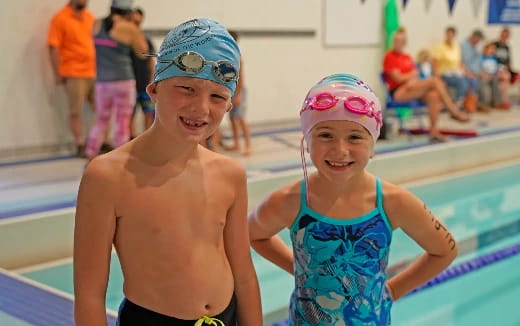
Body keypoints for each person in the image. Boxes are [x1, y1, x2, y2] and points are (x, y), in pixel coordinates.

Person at [73, 18, 262, 326]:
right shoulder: (107, 176)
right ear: (154, 90)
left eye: (217, 96)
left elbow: (244, 275)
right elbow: (90, 295)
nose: (201, 108)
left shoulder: (230, 174)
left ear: (228, 105)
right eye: (186, 88)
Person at [248, 73, 458, 325]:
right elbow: (253, 234)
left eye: (355, 137)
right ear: (307, 142)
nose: (340, 150)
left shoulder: (393, 202)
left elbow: (445, 250)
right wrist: (298, 268)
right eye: (325, 135)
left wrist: (392, 291)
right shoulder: (290, 200)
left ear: (372, 145)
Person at [85, 0, 148, 160]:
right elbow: (143, 53)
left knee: (101, 120)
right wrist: (135, 28)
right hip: (123, 81)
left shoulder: (96, 24)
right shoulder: (129, 28)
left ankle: (91, 153)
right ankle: (119, 159)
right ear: (128, 12)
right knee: (123, 120)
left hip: (102, 82)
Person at [383, 27, 469, 142]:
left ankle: (433, 131)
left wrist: (410, 78)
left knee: (433, 95)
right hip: (398, 92)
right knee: (434, 81)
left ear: (404, 43)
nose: (397, 43)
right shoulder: (389, 56)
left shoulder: (407, 57)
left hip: (412, 88)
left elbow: (415, 74)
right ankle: (453, 111)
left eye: (400, 41)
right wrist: (410, 77)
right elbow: (398, 78)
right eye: (395, 41)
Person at [48, 0, 96, 157]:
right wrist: (57, 73)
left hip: (94, 72)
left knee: (101, 109)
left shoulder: (90, 18)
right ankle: (80, 143)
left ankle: (98, 141)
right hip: (73, 73)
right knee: (75, 111)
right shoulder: (60, 18)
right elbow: (53, 47)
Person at [224, 31, 252, 156]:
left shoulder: (237, 57)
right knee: (232, 118)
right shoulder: (227, 55)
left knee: (240, 118)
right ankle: (236, 143)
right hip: (231, 90)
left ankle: (248, 145)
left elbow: (241, 78)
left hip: (238, 90)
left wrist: (238, 94)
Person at [129, 7, 156, 137]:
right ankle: (130, 139)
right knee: (129, 115)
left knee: (149, 113)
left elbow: (151, 61)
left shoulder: (146, 40)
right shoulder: (126, 40)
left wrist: (152, 79)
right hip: (130, 84)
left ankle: (148, 137)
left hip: (145, 83)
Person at [432, 26, 468, 109]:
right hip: (444, 73)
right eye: (448, 34)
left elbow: (460, 62)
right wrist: (436, 75)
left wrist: (465, 72)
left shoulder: (456, 47)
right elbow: (435, 62)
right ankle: (456, 104)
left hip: (456, 72)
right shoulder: (440, 46)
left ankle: (460, 101)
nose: (449, 36)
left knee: (469, 80)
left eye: (451, 35)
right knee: (461, 82)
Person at [460, 29, 485, 112]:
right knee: (472, 81)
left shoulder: (477, 48)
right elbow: (461, 62)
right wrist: (468, 73)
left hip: (476, 73)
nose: (478, 42)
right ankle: (469, 105)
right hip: (466, 72)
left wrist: (482, 72)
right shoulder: (463, 45)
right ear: (473, 37)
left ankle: (478, 104)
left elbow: (479, 62)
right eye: (478, 40)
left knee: (484, 79)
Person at [480, 42, 511, 110]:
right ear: (486, 49)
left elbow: (496, 68)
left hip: (493, 75)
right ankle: (484, 104)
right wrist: (485, 74)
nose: (492, 50)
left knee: (498, 81)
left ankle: (497, 103)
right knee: (486, 82)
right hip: (484, 75)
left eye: (493, 49)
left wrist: (499, 73)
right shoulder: (481, 58)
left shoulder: (493, 58)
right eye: (491, 49)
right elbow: (479, 68)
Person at [493, 27, 516, 108]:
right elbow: (490, 57)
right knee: (505, 78)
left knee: (511, 76)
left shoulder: (507, 47)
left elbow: (509, 61)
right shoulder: (495, 45)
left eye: (507, 36)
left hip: (505, 69)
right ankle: (504, 101)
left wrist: (512, 70)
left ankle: (504, 100)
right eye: (504, 35)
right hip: (496, 68)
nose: (505, 37)